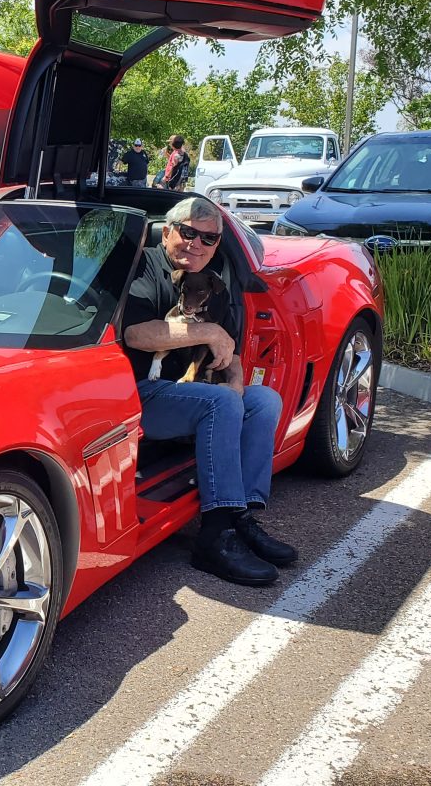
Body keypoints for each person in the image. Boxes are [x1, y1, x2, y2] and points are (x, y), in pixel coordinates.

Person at [121, 196, 292, 586]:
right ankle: (215, 535)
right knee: (217, 404)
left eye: (209, 239)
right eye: (188, 233)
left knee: (264, 400)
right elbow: (137, 333)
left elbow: (229, 348)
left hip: (191, 392)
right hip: (140, 393)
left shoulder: (213, 282)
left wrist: (235, 378)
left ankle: (241, 516)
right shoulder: (146, 266)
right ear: (167, 232)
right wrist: (209, 332)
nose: (197, 244)